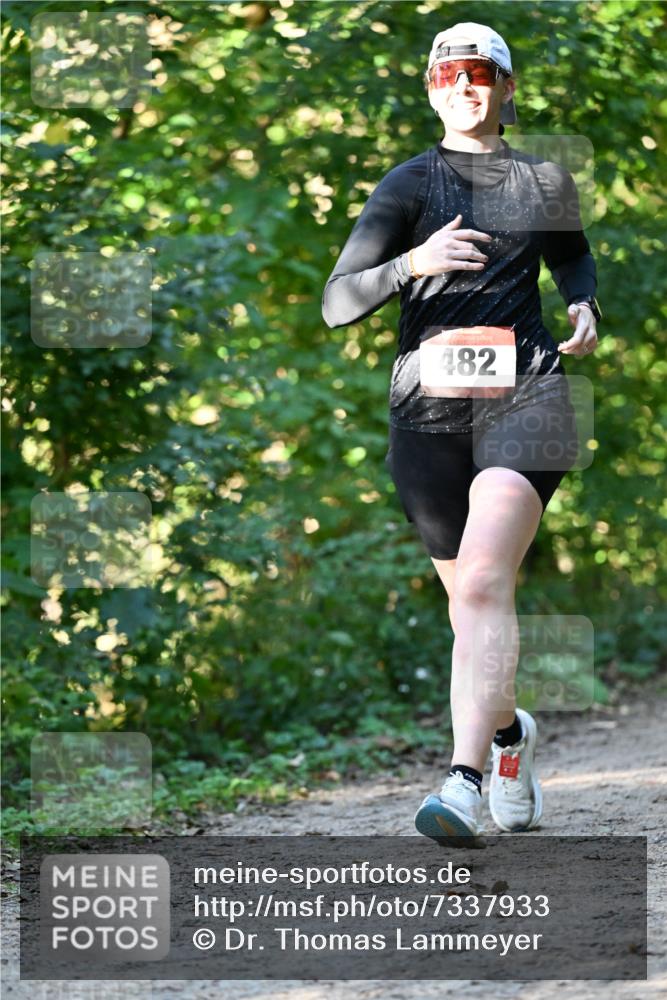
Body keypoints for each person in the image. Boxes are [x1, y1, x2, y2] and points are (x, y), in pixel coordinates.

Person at [322, 22, 601, 842]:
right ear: (430, 88)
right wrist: (414, 263)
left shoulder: (542, 180)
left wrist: (582, 303)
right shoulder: (408, 184)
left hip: (528, 396)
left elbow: (572, 256)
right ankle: (510, 737)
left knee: (482, 583)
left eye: (479, 72)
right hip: (428, 417)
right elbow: (337, 303)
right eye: (447, 74)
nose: (464, 85)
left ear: (506, 87)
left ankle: (462, 782)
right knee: (470, 610)